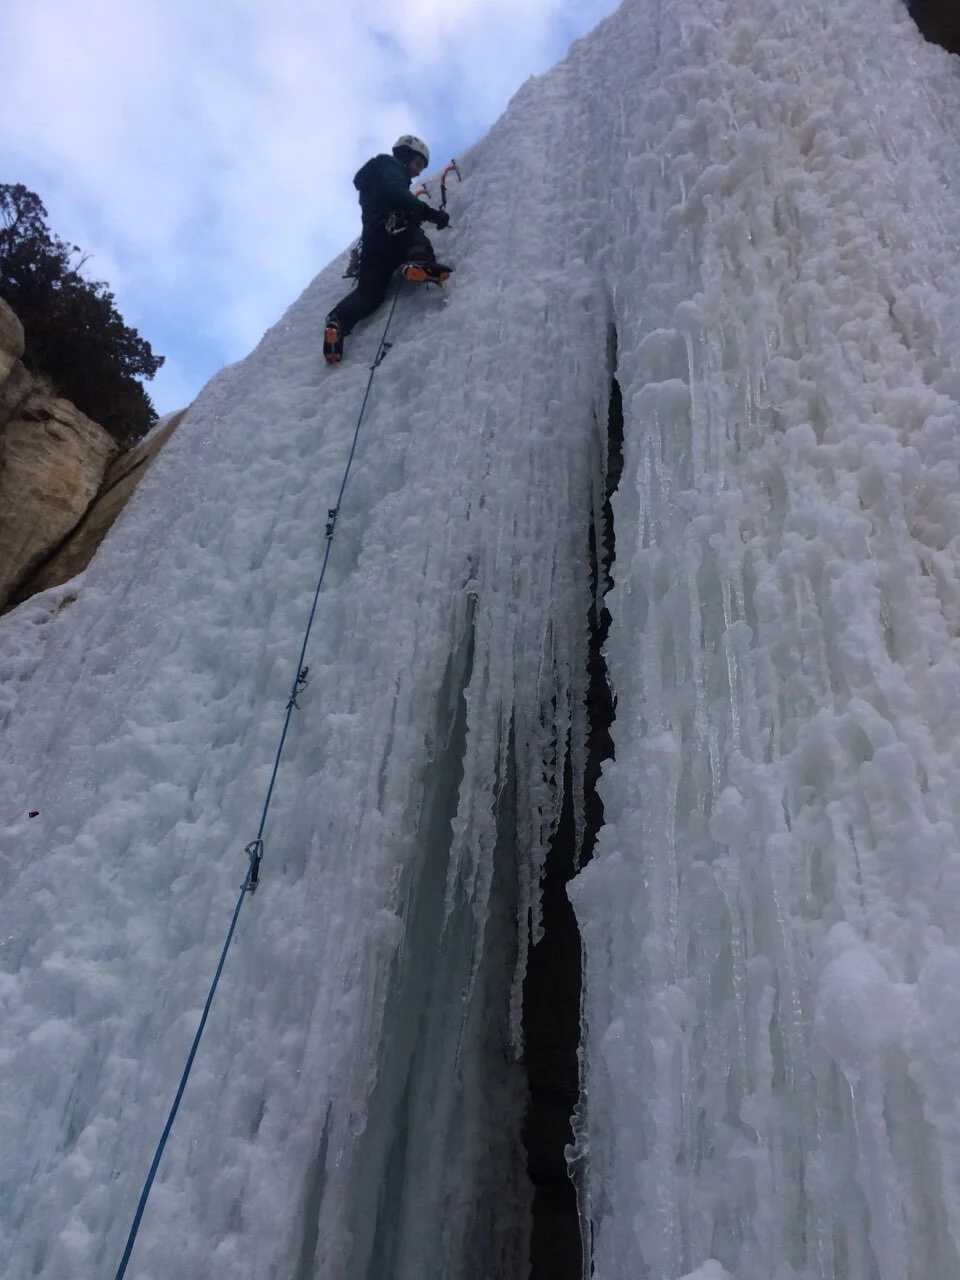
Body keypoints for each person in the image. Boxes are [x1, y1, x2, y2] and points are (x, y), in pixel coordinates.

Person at [323, 135, 453, 363]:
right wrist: (430, 213)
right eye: (418, 164)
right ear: (405, 157)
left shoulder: (372, 181)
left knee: (369, 295)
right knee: (417, 240)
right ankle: (418, 263)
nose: (418, 172)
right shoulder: (389, 166)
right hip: (393, 229)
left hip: (373, 243)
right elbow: (397, 194)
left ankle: (338, 323)